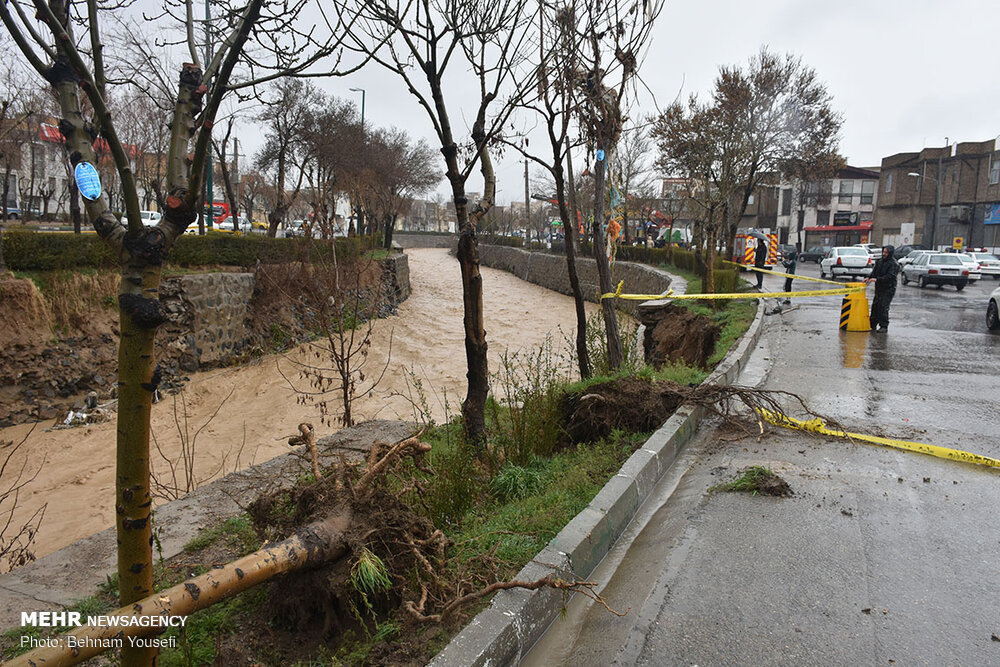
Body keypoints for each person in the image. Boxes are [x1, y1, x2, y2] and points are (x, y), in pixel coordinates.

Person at [865, 245, 899, 332]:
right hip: (879, 288)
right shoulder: (879, 261)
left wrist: (877, 279)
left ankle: (884, 326)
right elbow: (874, 272)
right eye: (883, 252)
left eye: (886, 252)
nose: (884, 254)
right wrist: (869, 278)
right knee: (875, 306)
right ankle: (872, 324)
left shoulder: (893, 264)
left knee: (883, 306)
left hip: (888, 288)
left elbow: (890, 277)